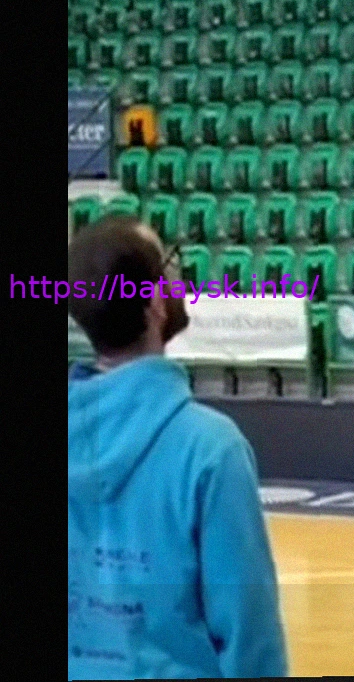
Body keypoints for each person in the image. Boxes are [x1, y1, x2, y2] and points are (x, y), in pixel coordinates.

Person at [67, 215, 288, 680]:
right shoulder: (211, 449)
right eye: (169, 263)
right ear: (153, 304)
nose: (179, 274)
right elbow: (249, 634)